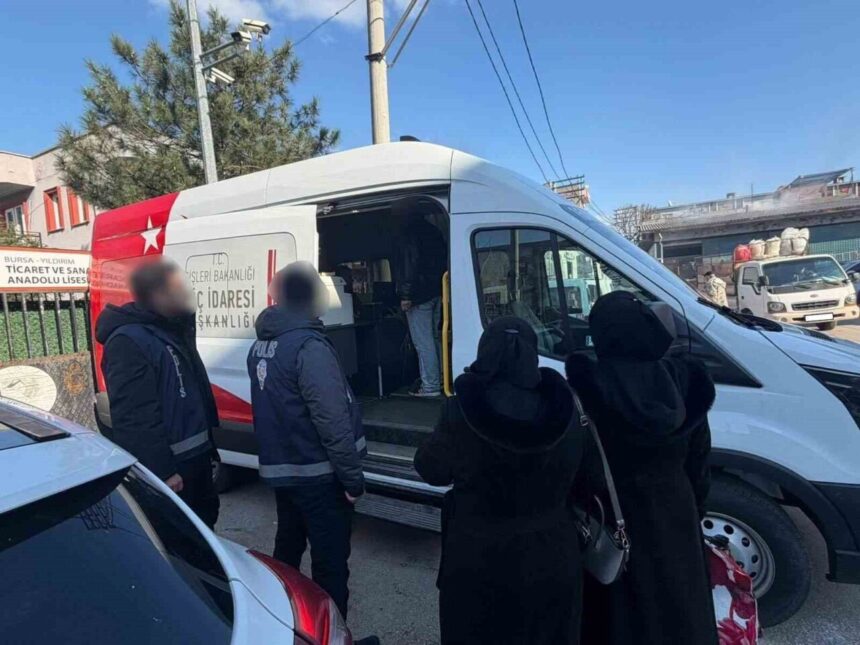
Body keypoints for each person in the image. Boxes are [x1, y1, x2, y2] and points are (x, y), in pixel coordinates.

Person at [414, 316, 591, 645]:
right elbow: (585, 474)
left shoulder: (461, 409)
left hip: (477, 560)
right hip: (553, 556)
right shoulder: (567, 407)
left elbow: (430, 469)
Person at [565, 291, 718, 645]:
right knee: (681, 602)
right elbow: (699, 462)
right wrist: (694, 508)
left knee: (620, 611)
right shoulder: (684, 382)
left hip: (615, 514)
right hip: (676, 510)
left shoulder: (588, 388)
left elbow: (578, 467)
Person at [247, 261, 373, 640]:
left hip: (286, 474)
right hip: (320, 477)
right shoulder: (308, 346)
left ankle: (280, 630)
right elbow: (332, 420)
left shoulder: (263, 344)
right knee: (330, 567)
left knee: (286, 556)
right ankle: (331, 637)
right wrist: (352, 480)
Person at [96, 259, 220, 528]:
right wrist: (162, 471)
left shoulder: (171, 330)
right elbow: (134, 417)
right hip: (173, 469)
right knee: (181, 536)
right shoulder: (128, 341)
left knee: (205, 526)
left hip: (196, 459)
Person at [392, 198, 447, 397]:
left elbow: (409, 265)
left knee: (423, 342)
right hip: (437, 291)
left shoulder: (408, 234)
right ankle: (441, 379)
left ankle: (430, 386)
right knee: (435, 338)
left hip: (418, 295)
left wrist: (406, 295)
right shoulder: (433, 231)